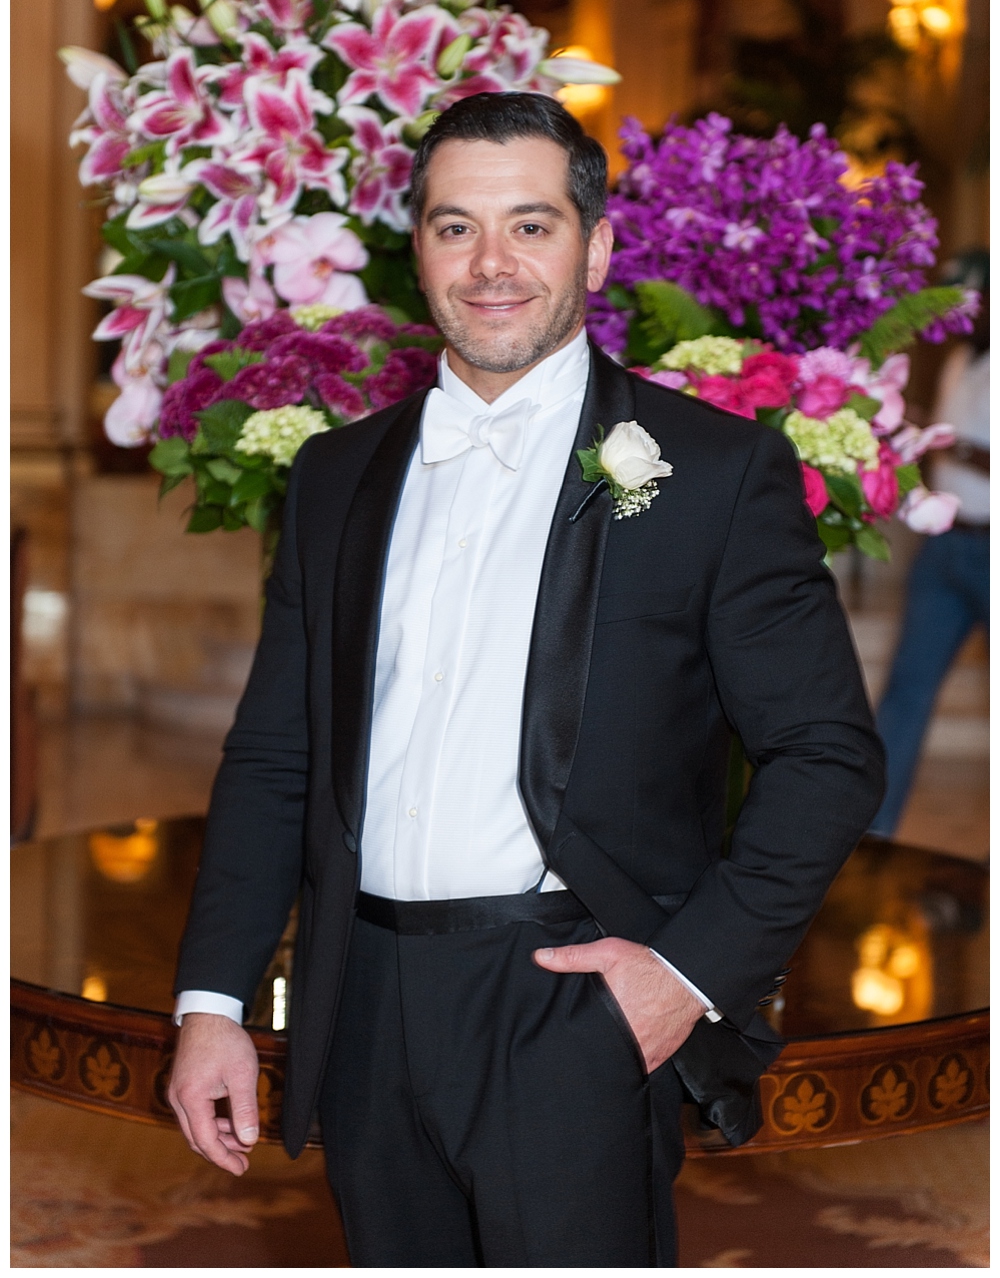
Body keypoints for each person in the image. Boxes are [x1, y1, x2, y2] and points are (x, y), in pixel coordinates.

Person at [168, 93, 883, 1267]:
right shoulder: (335, 477)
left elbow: (826, 756)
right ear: (419, 253)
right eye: (455, 228)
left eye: (531, 226)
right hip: (363, 1001)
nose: (491, 264)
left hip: (570, 994)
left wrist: (682, 976)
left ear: (596, 247)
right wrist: (213, 1004)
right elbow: (275, 755)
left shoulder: (710, 471)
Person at [868, 256, 989, 838]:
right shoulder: (961, 359)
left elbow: (961, 447)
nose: (962, 312)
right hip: (945, 548)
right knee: (905, 695)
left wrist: (959, 450)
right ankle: (874, 838)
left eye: (971, 299)